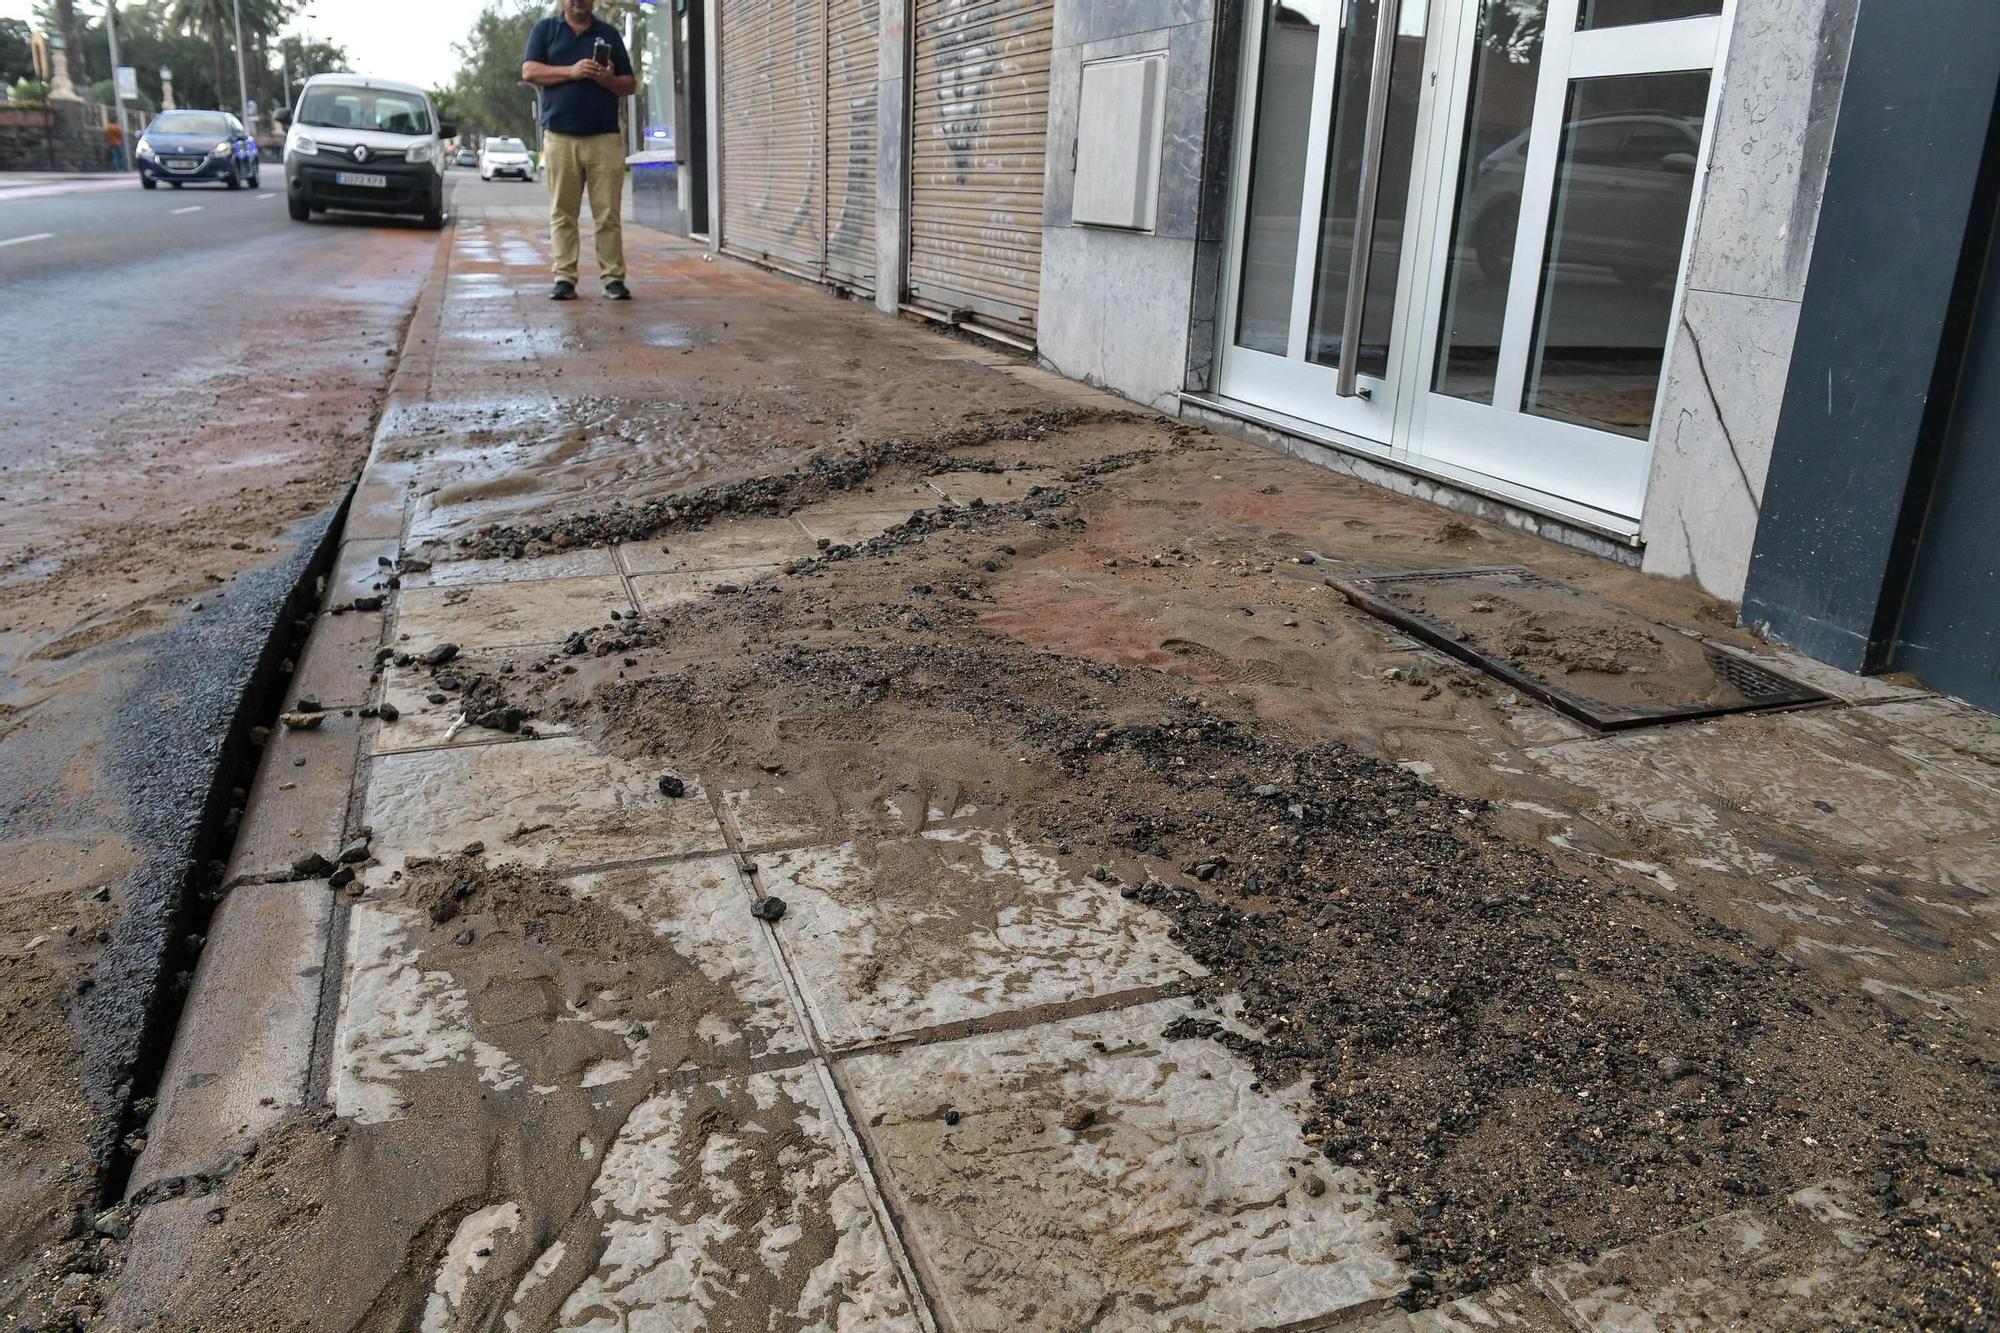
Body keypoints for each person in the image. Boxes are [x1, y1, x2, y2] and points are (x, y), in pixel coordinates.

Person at [522, 0, 637, 301]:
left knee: (608, 214)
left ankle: (613, 279)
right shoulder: (545, 30)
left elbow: (630, 84)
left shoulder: (608, 34)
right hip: (560, 137)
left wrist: (608, 80)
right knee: (562, 213)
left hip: (605, 139)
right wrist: (571, 71)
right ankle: (564, 278)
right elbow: (530, 71)